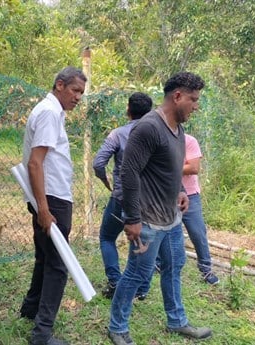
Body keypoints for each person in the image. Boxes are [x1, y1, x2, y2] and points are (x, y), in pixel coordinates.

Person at [108, 72, 212, 345]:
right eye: (193, 99)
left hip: (172, 219)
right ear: (177, 96)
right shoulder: (149, 127)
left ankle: (177, 321)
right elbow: (129, 173)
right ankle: (117, 326)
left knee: (175, 264)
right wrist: (132, 218)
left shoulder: (178, 130)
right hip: (149, 220)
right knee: (137, 273)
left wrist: (180, 190)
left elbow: (171, 167)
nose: (196, 106)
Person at [19, 67, 86, 345]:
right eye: (75, 90)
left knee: (45, 258)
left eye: (81, 92)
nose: (78, 97)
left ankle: (30, 310)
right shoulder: (49, 112)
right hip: (52, 199)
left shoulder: (51, 111)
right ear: (60, 85)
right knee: (57, 266)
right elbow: (36, 163)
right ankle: (42, 334)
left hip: (49, 197)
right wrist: (44, 209)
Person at [93, 92, 153, 299]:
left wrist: (106, 181)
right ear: (150, 111)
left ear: (128, 109)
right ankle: (142, 289)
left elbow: (98, 163)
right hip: (150, 200)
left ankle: (115, 281)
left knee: (107, 237)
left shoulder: (118, 134)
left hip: (122, 197)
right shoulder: (158, 134)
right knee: (142, 242)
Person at [182, 134, 219, 284]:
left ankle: (206, 269)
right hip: (166, 195)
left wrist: (168, 168)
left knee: (198, 233)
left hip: (190, 195)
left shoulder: (189, 141)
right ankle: (157, 263)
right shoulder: (160, 140)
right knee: (164, 231)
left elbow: (194, 167)